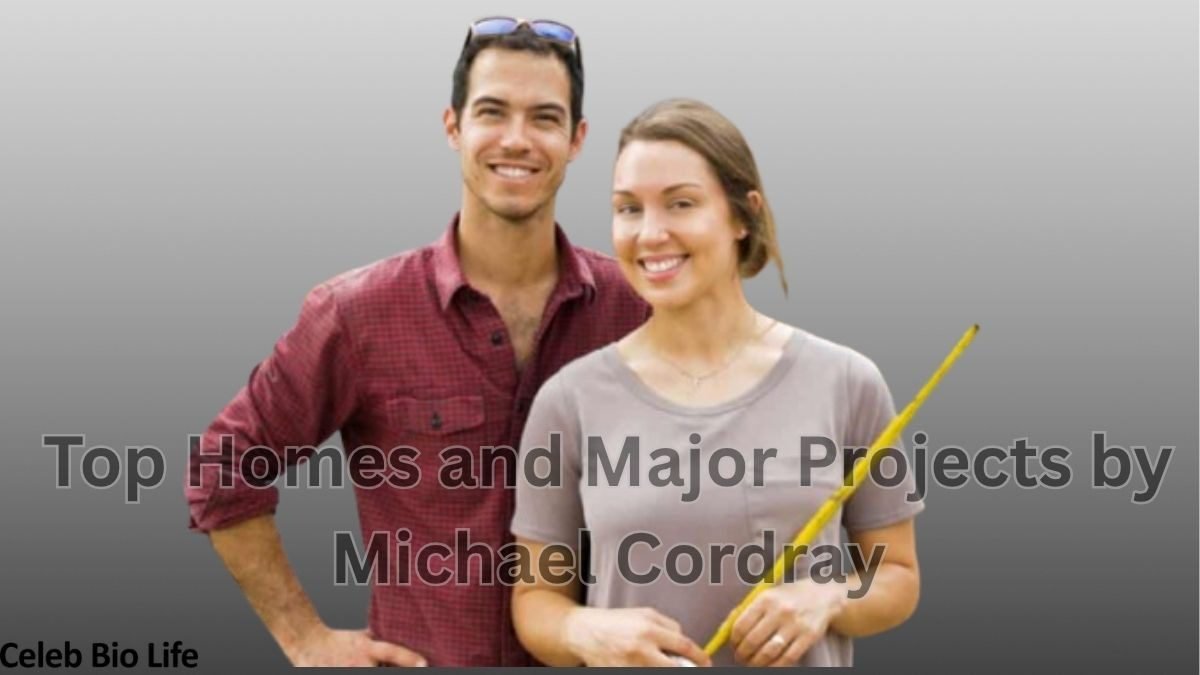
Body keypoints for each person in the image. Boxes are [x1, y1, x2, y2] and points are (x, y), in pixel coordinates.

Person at [184, 18, 648, 667]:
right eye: (492, 112)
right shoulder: (358, 315)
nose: (517, 139)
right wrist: (304, 639)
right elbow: (224, 467)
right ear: (453, 126)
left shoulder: (637, 309)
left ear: (577, 139)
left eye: (544, 118)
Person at [510, 98, 925, 667]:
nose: (649, 233)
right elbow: (535, 600)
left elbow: (897, 575)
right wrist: (584, 629)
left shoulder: (847, 382)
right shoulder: (569, 401)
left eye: (680, 203)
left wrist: (828, 596)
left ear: (743, 216)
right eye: (628, 209)